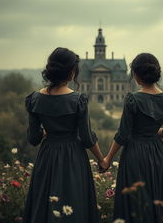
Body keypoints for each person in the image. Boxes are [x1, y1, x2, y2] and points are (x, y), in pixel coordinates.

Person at [100, 53, 163, 223]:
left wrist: (107, 159)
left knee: (136, 203)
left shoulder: (133, 99)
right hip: (158, 155)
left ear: (136, 76)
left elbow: (123, 135)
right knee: (159, 198)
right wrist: (153, 130)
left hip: (135, 155)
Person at [23, 47, 104, 223]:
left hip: (47, 157)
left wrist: (48, 131)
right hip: (73, 157)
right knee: (73, 201)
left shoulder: (35, 99)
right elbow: (87, 137)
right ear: (72, 72)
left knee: (45, 202)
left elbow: (33, 138)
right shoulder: (78, 100)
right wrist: (102, 159)